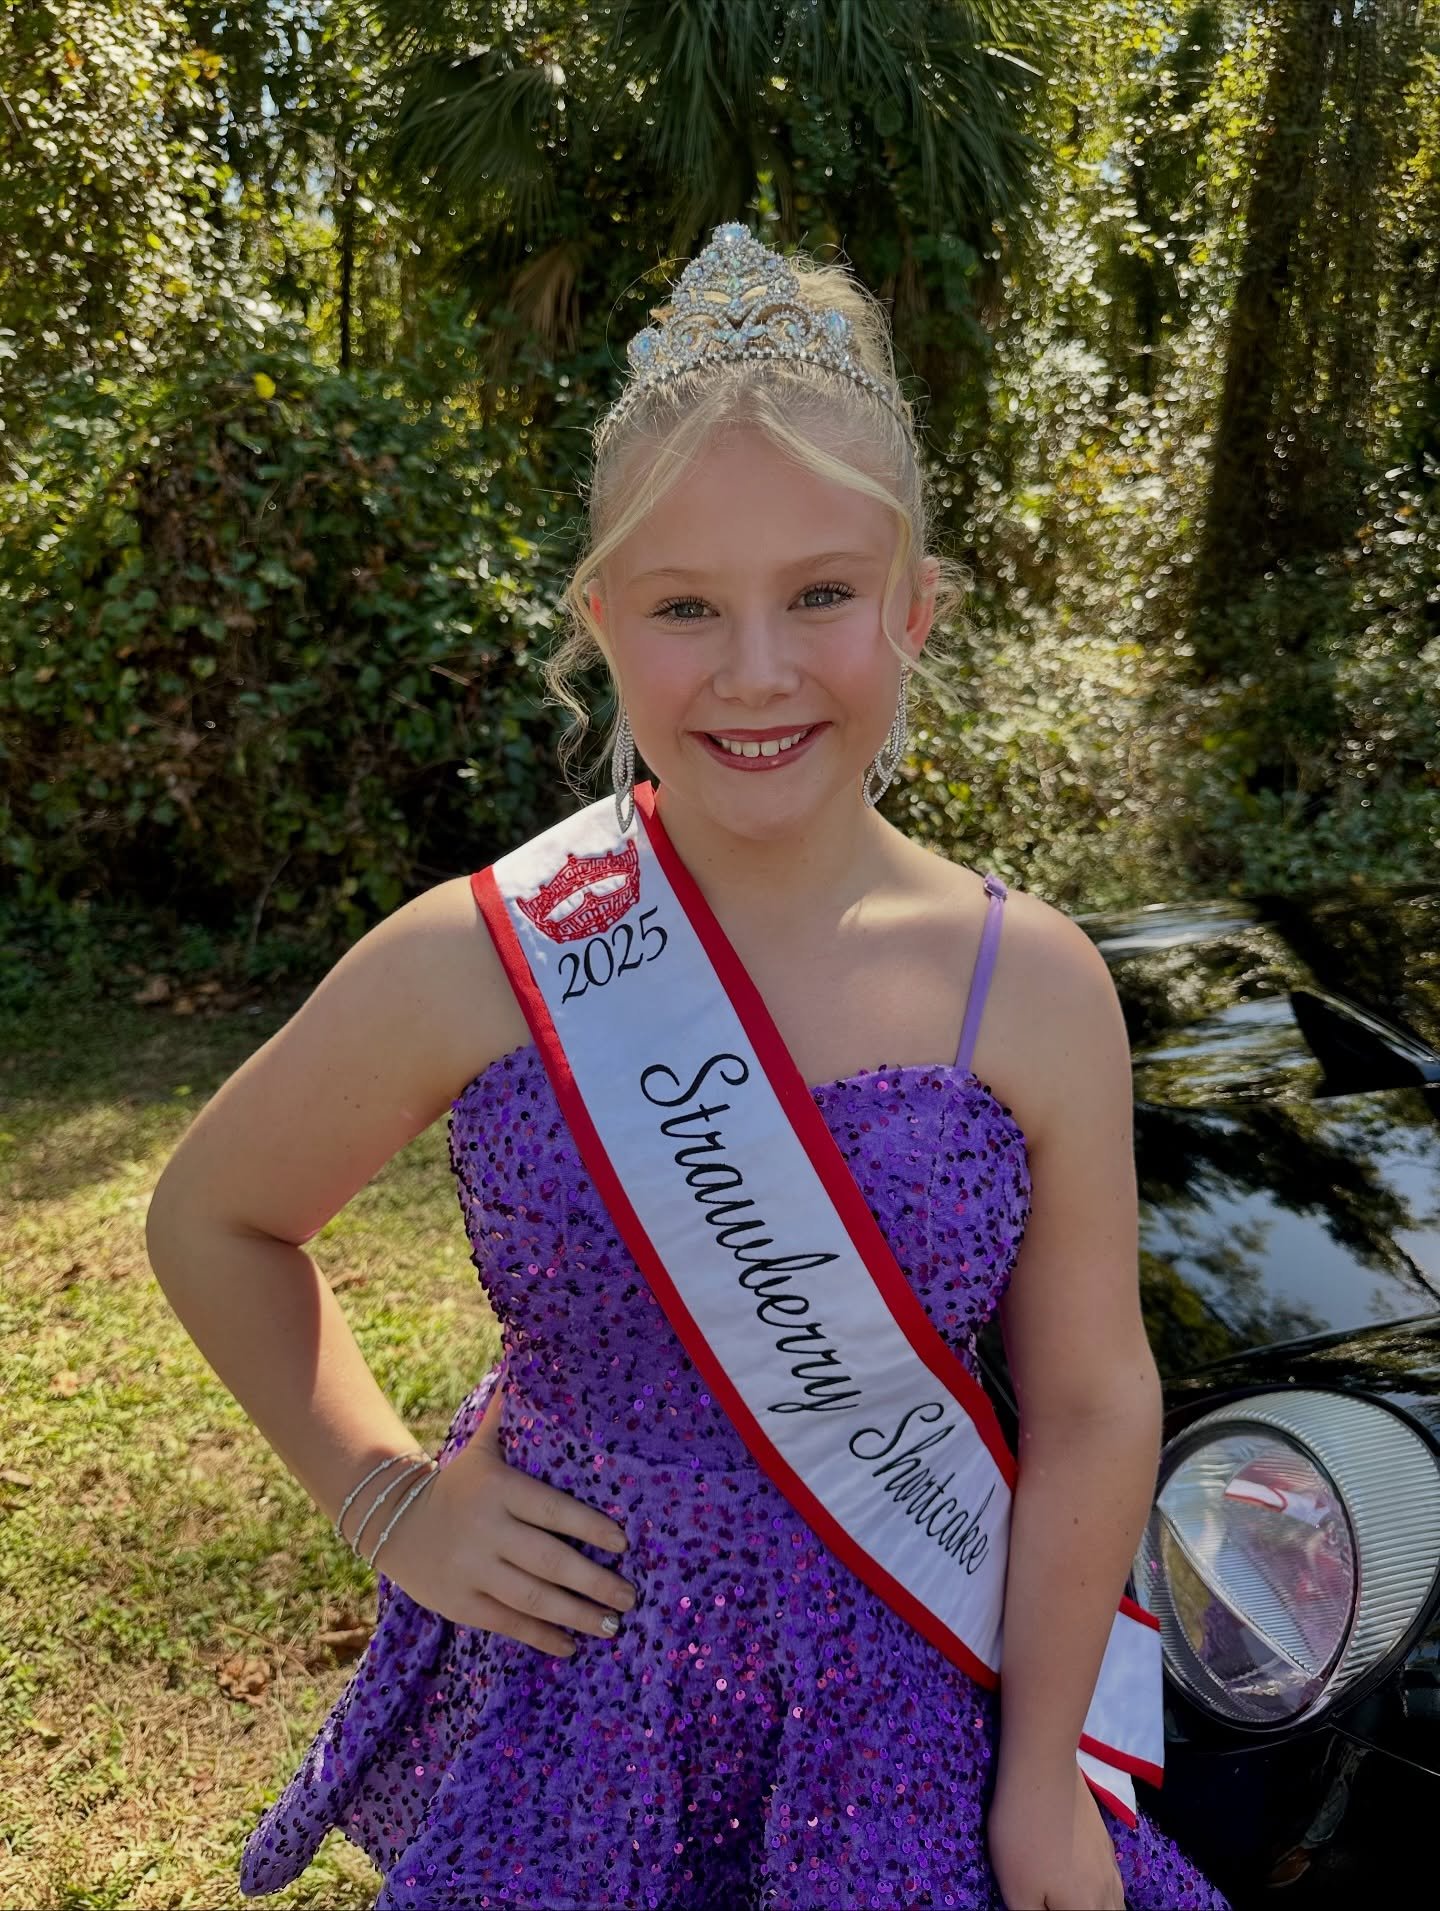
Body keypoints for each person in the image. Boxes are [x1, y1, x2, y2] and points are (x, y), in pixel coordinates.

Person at [146, 224, 1229, 1911]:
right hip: (578, 1702)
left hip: (908, 1721)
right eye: (684, 608)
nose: (756, 670)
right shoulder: (482, 954)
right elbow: (213, 1216)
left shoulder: (1033, 986)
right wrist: (385, 1499)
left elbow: (1093, 1403)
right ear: (601, 619)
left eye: (821, 593)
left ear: (916, 607)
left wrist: (1041, 1786)